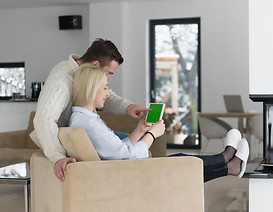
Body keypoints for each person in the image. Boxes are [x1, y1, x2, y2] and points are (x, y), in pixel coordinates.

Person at [56, 64, 250, 182]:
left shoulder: (83, 118)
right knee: (182, 162)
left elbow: (119, 149)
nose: (108, 93)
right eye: (105, 88)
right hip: (128, 174)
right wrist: (151, 134)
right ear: (91, 89)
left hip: (123, 170)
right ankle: (226, 158)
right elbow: (125, 154)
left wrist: (140, 129)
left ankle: (228, 165)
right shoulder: (87, 123)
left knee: (182, 161)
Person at [34, 38, 150, 179]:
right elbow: (43, 119)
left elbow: (100, 93)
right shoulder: (62, 81)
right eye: (109, 73)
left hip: (83, 128)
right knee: (131, 147)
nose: (108, 79)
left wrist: (128, 107)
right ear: (95, 65)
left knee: (129, 140)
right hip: (72, 138)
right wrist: (57, 157)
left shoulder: (82, 74)